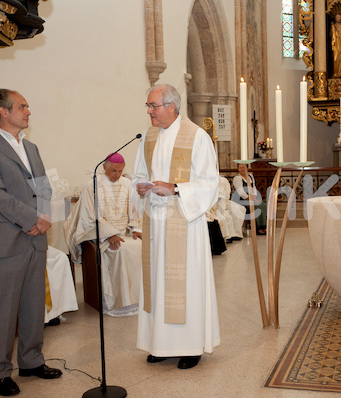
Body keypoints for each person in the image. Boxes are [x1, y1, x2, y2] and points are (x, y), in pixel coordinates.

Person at [0, 89, 62, 397]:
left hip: (35, 238)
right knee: (3, 309)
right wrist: (33, 219)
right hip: (6, 238)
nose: (28, 111)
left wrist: (46, 216)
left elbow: (43, 187)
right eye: (22, 106)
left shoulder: (31, 147)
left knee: (33, 304)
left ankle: (32, 361)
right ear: (2, 111)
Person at [132, 83, 220, 370]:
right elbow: (138, 174)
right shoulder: (148, 136)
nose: (149, 111)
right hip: (155, 224)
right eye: (149, 106)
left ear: (171, 106)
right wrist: (141, 187)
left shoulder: (197, 136)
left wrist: (176, 188)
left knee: (186, 285)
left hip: (184, 221)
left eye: (153, 106)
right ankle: (160, 344)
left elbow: (209, 182)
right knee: (157, 282)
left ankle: (189, 346)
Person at [0, 186, 78, 326]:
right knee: (35, 260)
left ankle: (52, 312)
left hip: (14, 243)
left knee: (59, 257)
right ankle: (36, 317)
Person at [64, 153, 141, 316]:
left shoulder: (127, 184)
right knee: (120, 250)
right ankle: (117, 302)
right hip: (100, 235)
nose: (117, 175)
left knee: (141, 246)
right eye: (114, 171)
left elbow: (134, 209)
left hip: (124, 233)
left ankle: (137, 299)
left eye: (120, 171)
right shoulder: (92, 185)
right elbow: (89, 216)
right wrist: (108, 234)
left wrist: (136, 230)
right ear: (104, 167)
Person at [232, 163, 267, 235]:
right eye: (240, 168)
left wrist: (254, 196)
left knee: (264, 205)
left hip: (251, 198)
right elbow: (240, 192)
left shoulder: (250, 176)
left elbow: (253, 188)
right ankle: (258, 228)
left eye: (243, 167)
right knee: (257, 206)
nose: (242, 169)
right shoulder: (237, 178)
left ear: (247, 168)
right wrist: (249, 198)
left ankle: (262, 227)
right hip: (242, 200)